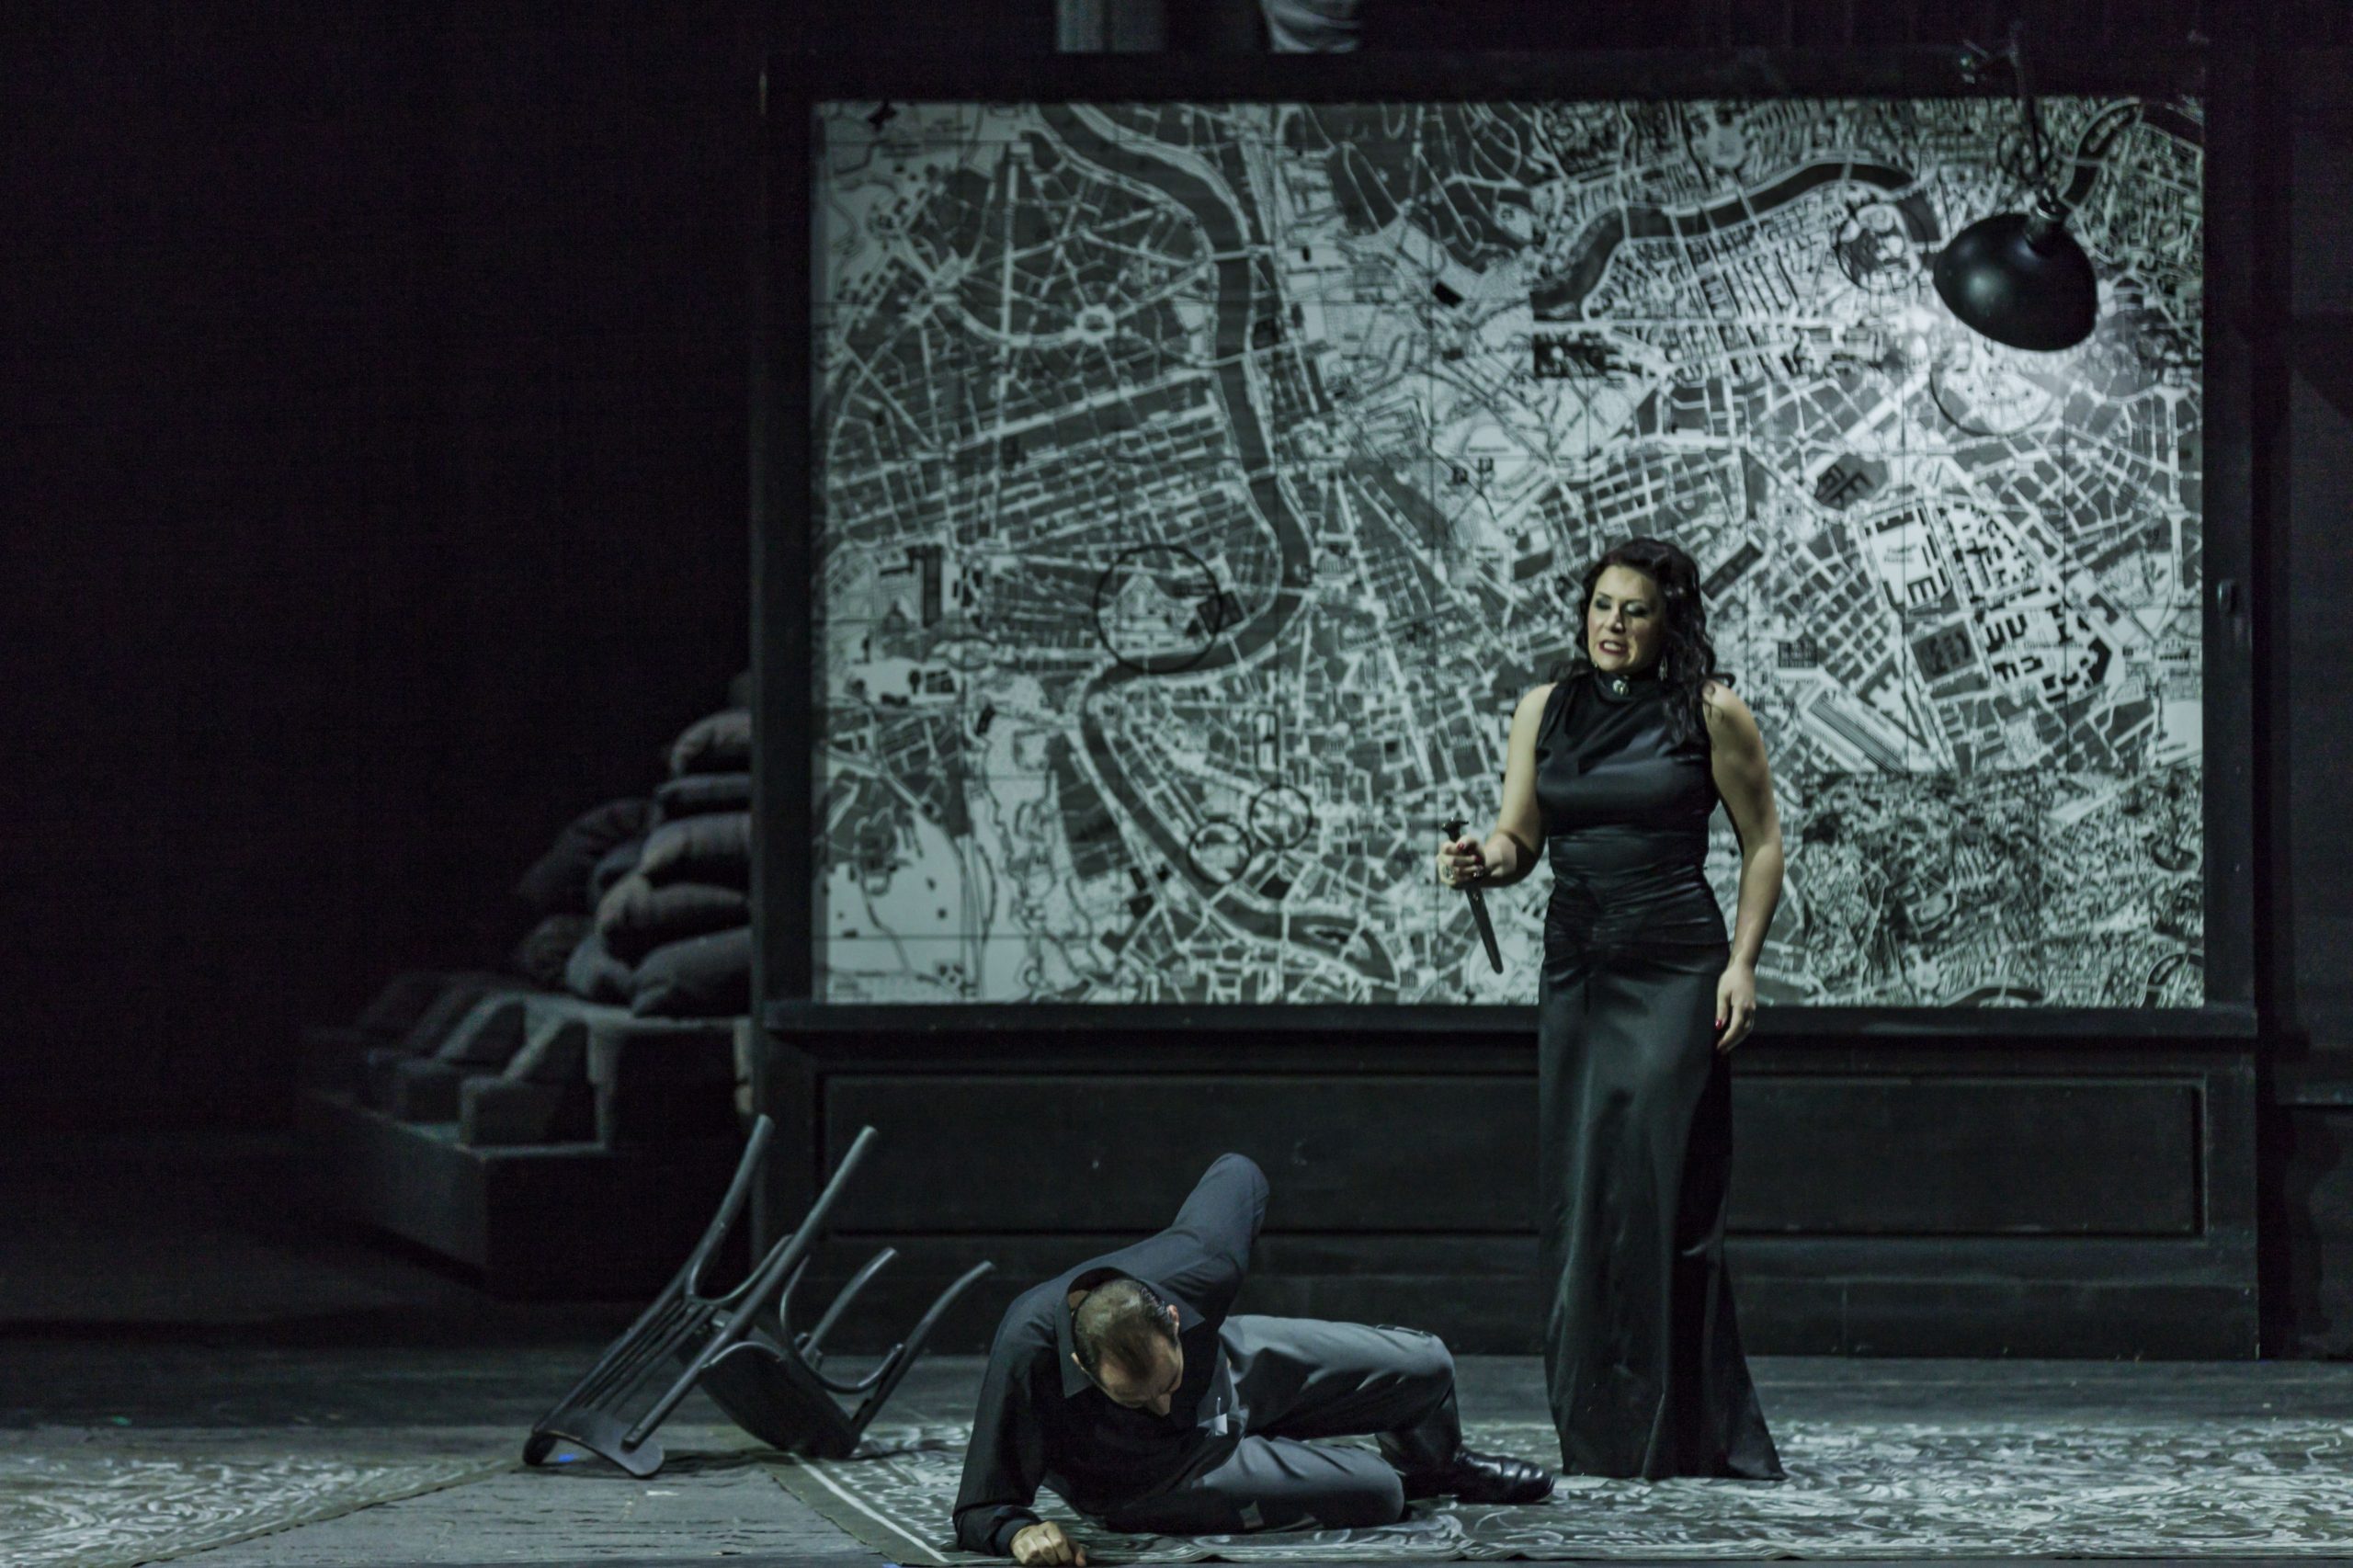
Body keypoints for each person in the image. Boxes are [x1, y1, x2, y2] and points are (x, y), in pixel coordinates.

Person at [1437, 536, 1786, 1481]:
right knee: (1585, 1196)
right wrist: (1480, 861)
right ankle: (1602, 1431)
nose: (1613, 625)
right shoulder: (1543, 709)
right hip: (1579, 972)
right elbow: (1518, 840)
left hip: (1676, 970)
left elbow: (1762, 843)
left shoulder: (1710, 711)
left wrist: (1742, 964)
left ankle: (1687, 1431)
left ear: (1670, 621)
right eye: (1601, 605)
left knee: (1661, 1197)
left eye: (1635, 609)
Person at [952, 1152, 1552, 1563]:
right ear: (1084, 1368)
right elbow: (982, 1505)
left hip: (1230, 1372)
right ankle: (1293, 1466)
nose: (1161, 1406)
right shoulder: (1027, 1350)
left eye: (1166, 1382)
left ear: (1173, 1319)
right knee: (1381, 1493)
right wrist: (1018, 1534)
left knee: (1429, 1364)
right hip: (1156, 1477)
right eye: (1136, 1398)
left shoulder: (1201, 1264)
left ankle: (1439, 1468)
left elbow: (1237, 1170)